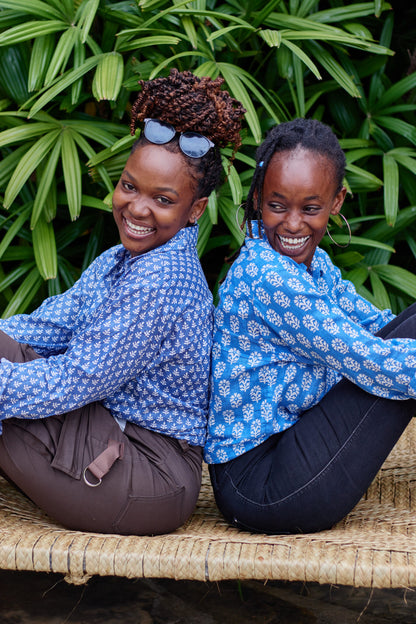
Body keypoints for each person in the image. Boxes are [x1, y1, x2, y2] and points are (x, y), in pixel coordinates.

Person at [0, 68, 245, 535]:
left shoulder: (159, 283)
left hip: (149, 475)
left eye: (163, 199)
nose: (136, 208)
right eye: (130, 186)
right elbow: (52, 325)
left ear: (195, 210)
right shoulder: (122, 257)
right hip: (107, 428)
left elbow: (74, 379)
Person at [205, 117, 416, 535]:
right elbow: (371, 359)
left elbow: (379, 327)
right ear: (259, 199)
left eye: (311, 208)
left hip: (289, 446)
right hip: (261, 487)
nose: (293, 224)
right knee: (388, 370)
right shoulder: (268, 276)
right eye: (277, 205)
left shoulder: (313, 263)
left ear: (336, 202)